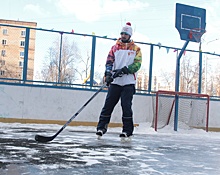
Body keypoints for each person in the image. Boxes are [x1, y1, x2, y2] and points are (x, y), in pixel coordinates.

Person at [96, 22, 142, 138]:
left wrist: (125, 70)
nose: (123, 35)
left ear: (130, 35)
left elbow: (137, 64)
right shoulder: (114, 48)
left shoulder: (136, 49)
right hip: (115, 82)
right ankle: (101, 127)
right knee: (108, 105)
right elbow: (109, 61)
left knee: (126, 106)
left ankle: (127, 130)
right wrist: (108, 74)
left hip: (128, 82)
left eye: (125, 34)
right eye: (122, 33)